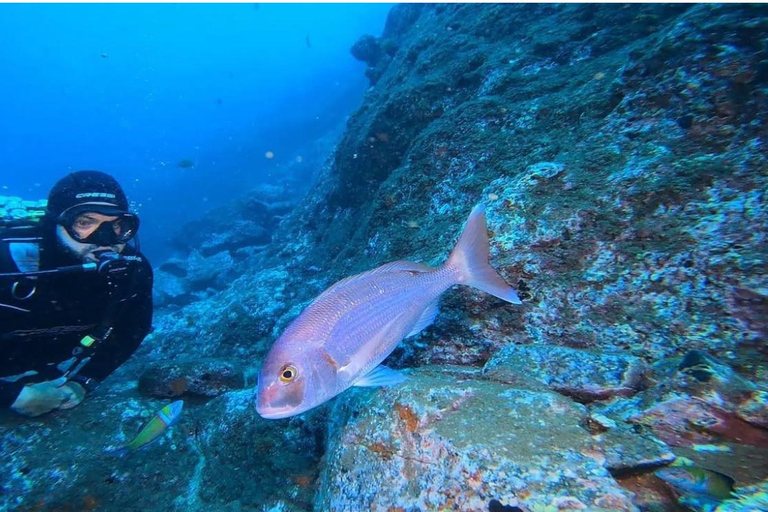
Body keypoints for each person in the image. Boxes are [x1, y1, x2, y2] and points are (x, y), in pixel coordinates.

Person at [0, 170, 153, 416]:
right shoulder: (6, 263)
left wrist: (84, 381)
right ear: (55, 224)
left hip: (44, 360)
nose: (104, 239)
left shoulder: (132, 270)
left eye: (116, 225)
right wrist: (11, 396)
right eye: (84, 223)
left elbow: (132, 330)